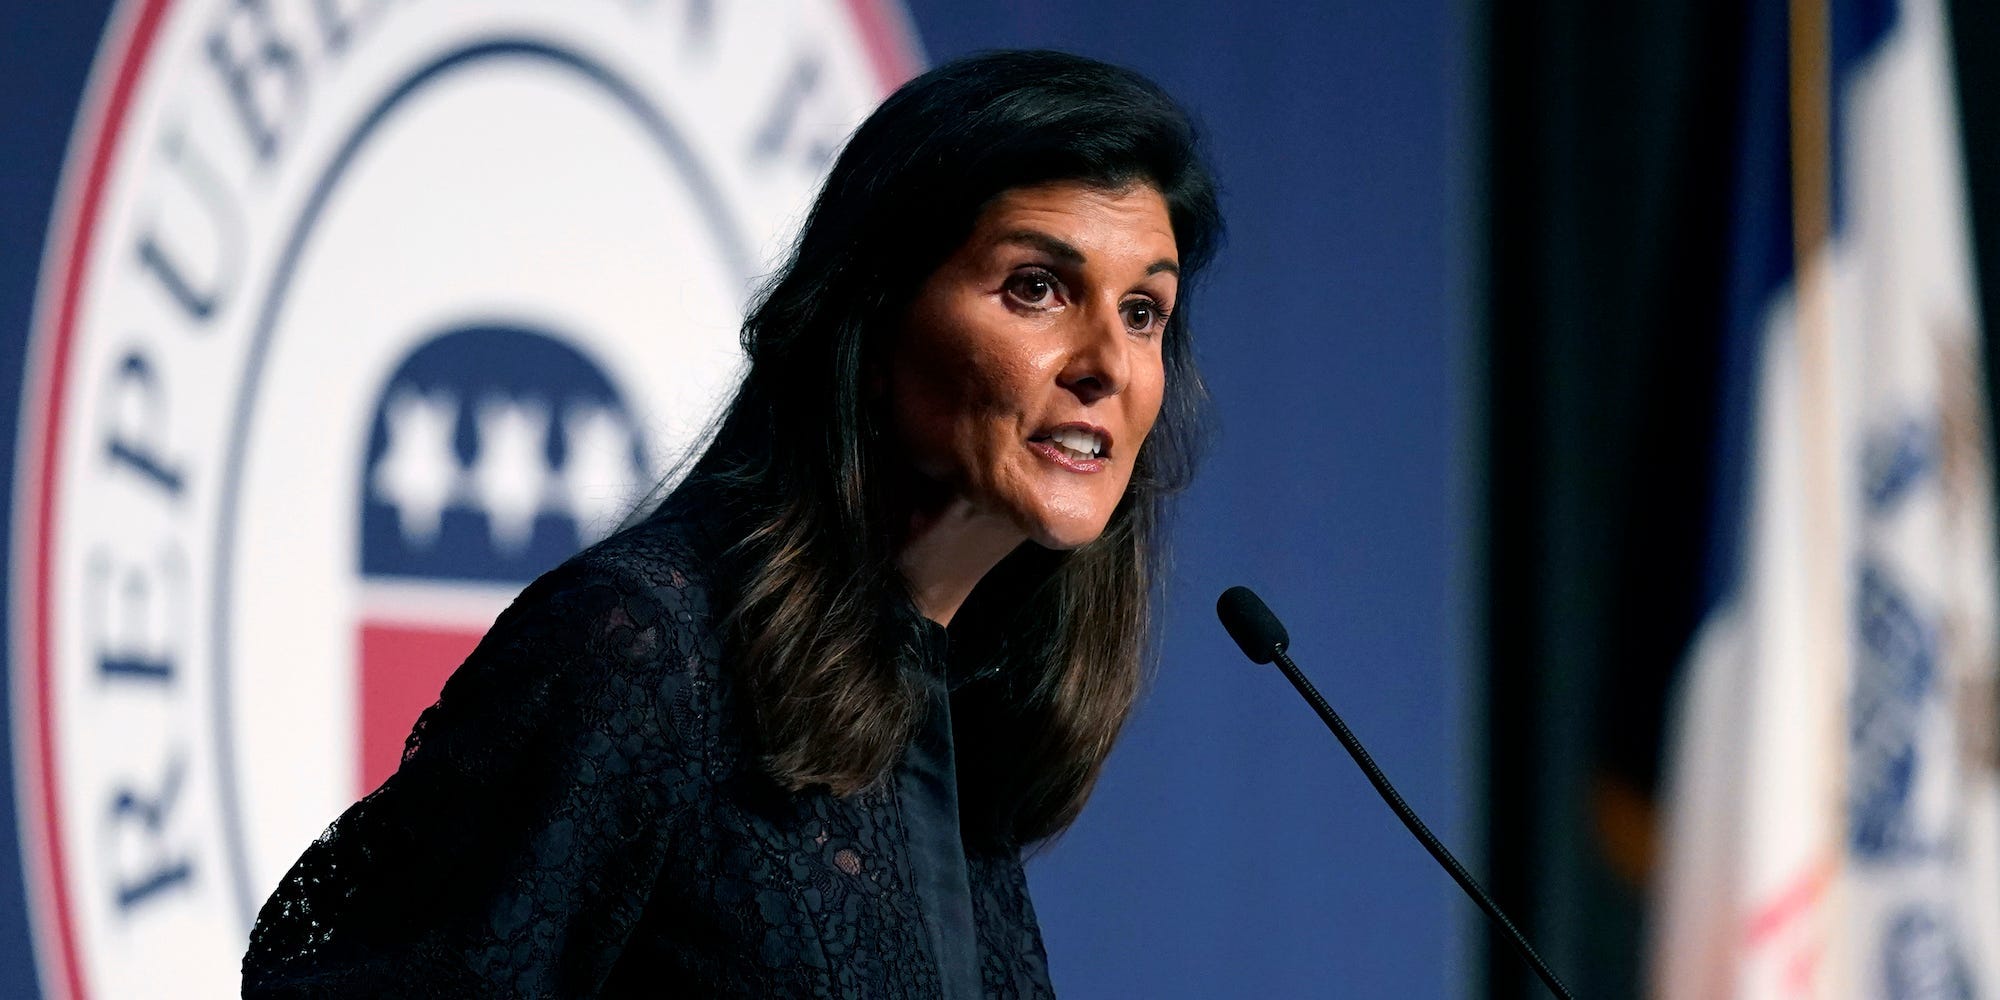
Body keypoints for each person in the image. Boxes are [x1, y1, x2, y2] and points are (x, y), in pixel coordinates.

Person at [242, 48, 1223, 998]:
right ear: (871, 322)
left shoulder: (950, 717)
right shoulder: (643, 657)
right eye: (1036, 288)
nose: (1106, 361)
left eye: (1143, 310)